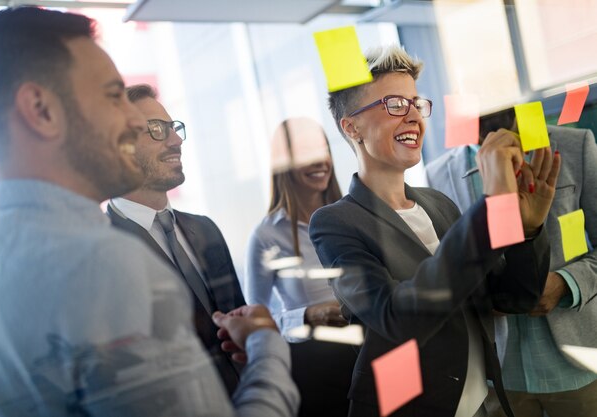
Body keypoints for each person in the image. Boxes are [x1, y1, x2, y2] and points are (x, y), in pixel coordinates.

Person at [0, 7, 298, 417]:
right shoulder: (103, 265)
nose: (131, 122)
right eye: (112, 96)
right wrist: (267, 348)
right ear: (41, 110)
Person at [309, 44, 560, 417]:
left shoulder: (439, 203)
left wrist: (528, 229)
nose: (413, 116)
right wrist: (491, 213)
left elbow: (511, 299)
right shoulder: (335, 223)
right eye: (395, 104)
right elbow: (396, 317)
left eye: (416, 103)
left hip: (481, 403)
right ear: (352, 127)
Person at [425, 109, 597, 417]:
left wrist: (566, 283)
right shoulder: (437, 175)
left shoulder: (576, 145)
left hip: (579, 363)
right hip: (497, 376)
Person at [107, 83, 246, 395]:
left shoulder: (205, 229)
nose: (176, 140)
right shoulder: (101, 252)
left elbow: (238, 317)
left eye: (174, 127)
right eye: (157, 129)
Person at [244, 117, 356, 417]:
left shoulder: (352, 216)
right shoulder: (266, 235)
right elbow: (257, 322)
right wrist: (307, 315)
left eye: (322, 149)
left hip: (368, 352)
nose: (319, 160)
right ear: (283, 163)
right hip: (317, 370)